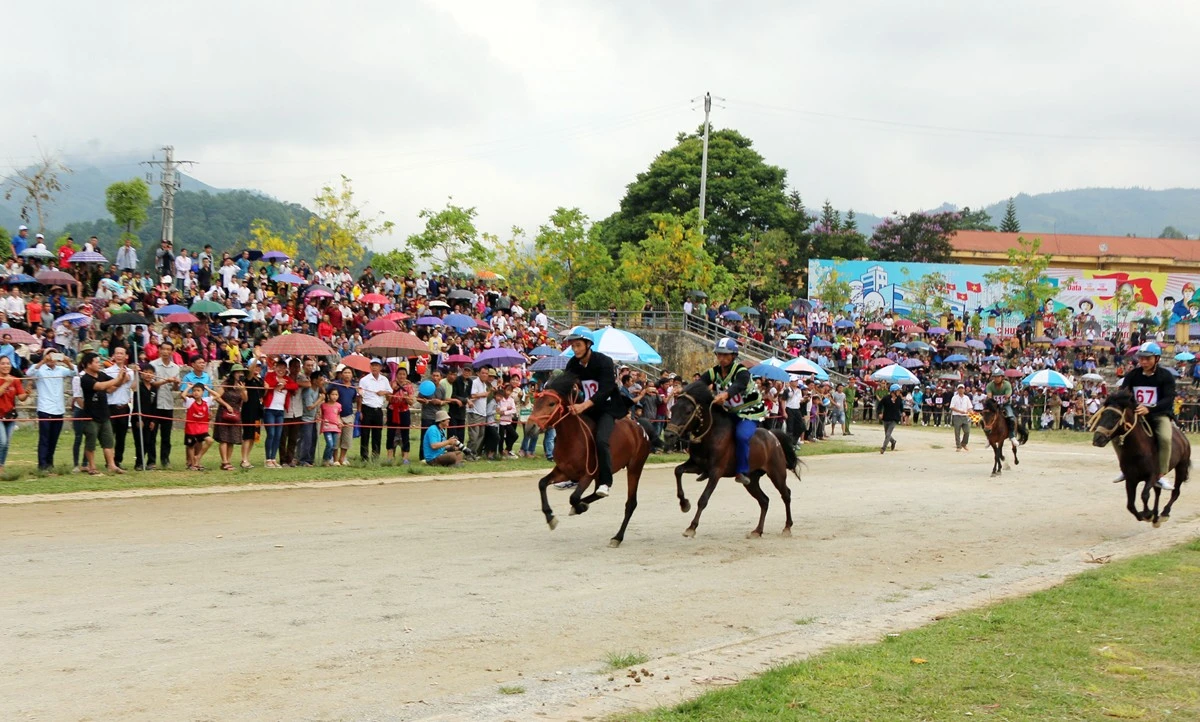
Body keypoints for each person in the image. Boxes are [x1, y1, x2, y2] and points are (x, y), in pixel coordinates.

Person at [563, 325, 625, 497]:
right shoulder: (573, 363)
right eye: (573, 346)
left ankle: (605, 482)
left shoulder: (604, 361)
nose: (574, 349)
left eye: (578, 345)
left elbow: (605, 389)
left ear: (588, 344)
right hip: (588, 407)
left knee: (601, 441)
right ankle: (573, 475)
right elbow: (565, 383)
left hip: (607, 407)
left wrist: (583, 405)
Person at [700, 338, 764, 485]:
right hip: (729, 411)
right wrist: (685, 391)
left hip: (749, 412)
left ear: (734, 356)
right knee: (707, 429)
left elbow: (738, 386)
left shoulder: (741, 372)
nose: (721, 358)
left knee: (742, 436)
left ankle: (741, 471)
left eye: (725, 355)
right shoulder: (713, 372)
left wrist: (725, 394)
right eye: (719, 355)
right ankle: (705, 465)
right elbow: (699, 384)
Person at [1115, 342, 1178, 489]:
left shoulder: (1166, 376)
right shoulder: (1132, 375)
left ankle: (1160, 475)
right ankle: (1124, 469)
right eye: (1141, 358)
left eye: (1147, 358)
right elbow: (1124, 394)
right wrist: (1135, 408)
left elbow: (1168, 399)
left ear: (1157, 359)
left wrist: (1149, 409)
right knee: (1117, 437)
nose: (1143, 362)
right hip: (1137, 414)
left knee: (1165, 438)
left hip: (1158, 414)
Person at [79, 351, 129, 475]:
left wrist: (122, 377)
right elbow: (100, 387)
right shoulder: (85, 379)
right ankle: (91, 466)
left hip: (104, 414)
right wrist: (117, 379)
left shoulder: (101, 374)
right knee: (91, 443)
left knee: (108, 442)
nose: (99, 364)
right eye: (96, 362)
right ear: (88, 364)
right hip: (90, 416)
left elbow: (113, 386)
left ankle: (112, 465)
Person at [28, 351, 75, 471]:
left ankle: (50, 462)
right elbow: (29, 372)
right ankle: (42, 464)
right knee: (44, 438)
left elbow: (75, 372)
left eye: (54, 356)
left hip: (58, 408)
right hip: (45, 408)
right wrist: (43, 361)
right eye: (50, 356)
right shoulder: (40, 370)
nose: (52, 358)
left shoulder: (60, 369)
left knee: (54, 438)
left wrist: (67, 361)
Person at [104, 347, 138, 470]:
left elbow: (133, 388)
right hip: (111, 406)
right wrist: (122, 380)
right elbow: (109, 389)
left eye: (121, 353)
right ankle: (109, 462)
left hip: (124, 407)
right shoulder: (107, 372)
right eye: (117, 353)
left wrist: (136, 374)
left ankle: (118, 461)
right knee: (109, 436)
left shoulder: (130, 372)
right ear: (113, 355)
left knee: (121, 436)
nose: (119, 355)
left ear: (125, 356)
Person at [262, 359, 298, 468]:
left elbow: (294, 386)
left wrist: (284, 385)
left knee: (278, 435)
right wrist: (278, 383)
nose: (281, 370)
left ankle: (273, 458)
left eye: (283, 368)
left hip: (280, 410)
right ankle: (268, 459)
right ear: (275, 367)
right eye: (279, 367)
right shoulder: (270, 375)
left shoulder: (287, 379)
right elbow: (268, 384)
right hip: (270, 409)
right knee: (271, 434)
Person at [213, 364, 248, 471]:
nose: (240, 374)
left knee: (232, 438)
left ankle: (228, 460)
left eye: (242, 372)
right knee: (224, 438)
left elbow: (245, 399)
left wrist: (242, 390)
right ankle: (224, 461)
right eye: (238, 372)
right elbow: (217, 396)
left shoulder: (242, 385)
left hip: (235, 413)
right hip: (224, 412)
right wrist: (226, 405)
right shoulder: (226, 384)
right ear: (233, 373)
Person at [0, 356, 30, 475]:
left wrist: (27, 393)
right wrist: (6, 383)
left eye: (8, 363)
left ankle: (1, 466)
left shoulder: (15, 380)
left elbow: (21, 397)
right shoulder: (6, 380)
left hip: (10, 415)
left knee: (7, 443)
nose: (6, 366)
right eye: (3, 363)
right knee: (2, 441)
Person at [359, 358, 391, 462]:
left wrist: (384, 392)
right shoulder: (364, 380)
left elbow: (390, 391)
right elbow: (360, 396)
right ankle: (364, 457)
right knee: (365, 434)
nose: (374, 367)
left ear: (380, 367)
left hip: (378, 409)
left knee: (377, 434)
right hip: (367, 408)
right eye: (372, 365)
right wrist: (359, 411)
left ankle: (375, 456)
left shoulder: (384, 379)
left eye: (376, 365)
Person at [184, 384, 213, 470]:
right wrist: (188, 387)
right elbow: (182, 395)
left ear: (203, 392)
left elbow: (217, 396)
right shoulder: (190, 401)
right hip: (191, 428)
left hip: (202, 428)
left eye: (198, 390)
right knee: (191, 446)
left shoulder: (206, 401)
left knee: (209, 441)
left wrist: (208, 389)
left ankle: (198, 458)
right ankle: (193, 464)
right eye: (194, 391)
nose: (196, 392)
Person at [985, 368, 1016, 439]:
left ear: (1002, 377)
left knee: (1011, 417)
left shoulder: (1007, 384)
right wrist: (993, 404)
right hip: (993, 405)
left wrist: (1002, 402)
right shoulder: (989, 385)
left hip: (1005, 404)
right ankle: (988, 436)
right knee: (984, 418)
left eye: (998, 377)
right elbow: (989, 396)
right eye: (994, 377)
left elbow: (1007, 396)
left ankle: (1012, 435)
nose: (996, 379)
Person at [877, 383, 905, 454]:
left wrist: (902, 412)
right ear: (893, 391)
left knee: (888, 433)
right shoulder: (886, 398)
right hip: (886, 418)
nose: (899, 392)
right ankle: (893, 441)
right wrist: (880, 413)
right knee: (887, 434)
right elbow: (879, 406)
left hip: (894, 419)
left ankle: (883, 448)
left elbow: (901, 407)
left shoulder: (899, 399)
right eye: (898, 391)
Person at [320, 388, 344, 466]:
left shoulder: (338, 405)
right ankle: (325, 459)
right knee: (329, 444)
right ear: (328, 395)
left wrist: (340, 422)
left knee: (334, 445)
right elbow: (320, 415)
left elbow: (338, 416)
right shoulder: (323, 405)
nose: (334, 396)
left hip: (336, 427)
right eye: (332, 394)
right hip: (327, 427)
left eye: (336, 395)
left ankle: (329, 460)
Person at [949, 383, 974, 451]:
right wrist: (960, 411)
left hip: (965, 416)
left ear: (964, 389)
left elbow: (969, 407)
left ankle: (964, 443)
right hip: (957, 416)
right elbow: (952, 407)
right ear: (957, 389)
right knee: (957, 432)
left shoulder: (966, 398)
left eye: (962, 388)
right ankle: (958, 446)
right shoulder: (954, 397)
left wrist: (971, 412)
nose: (961, 390)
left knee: (967, 431)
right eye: (959, 388)